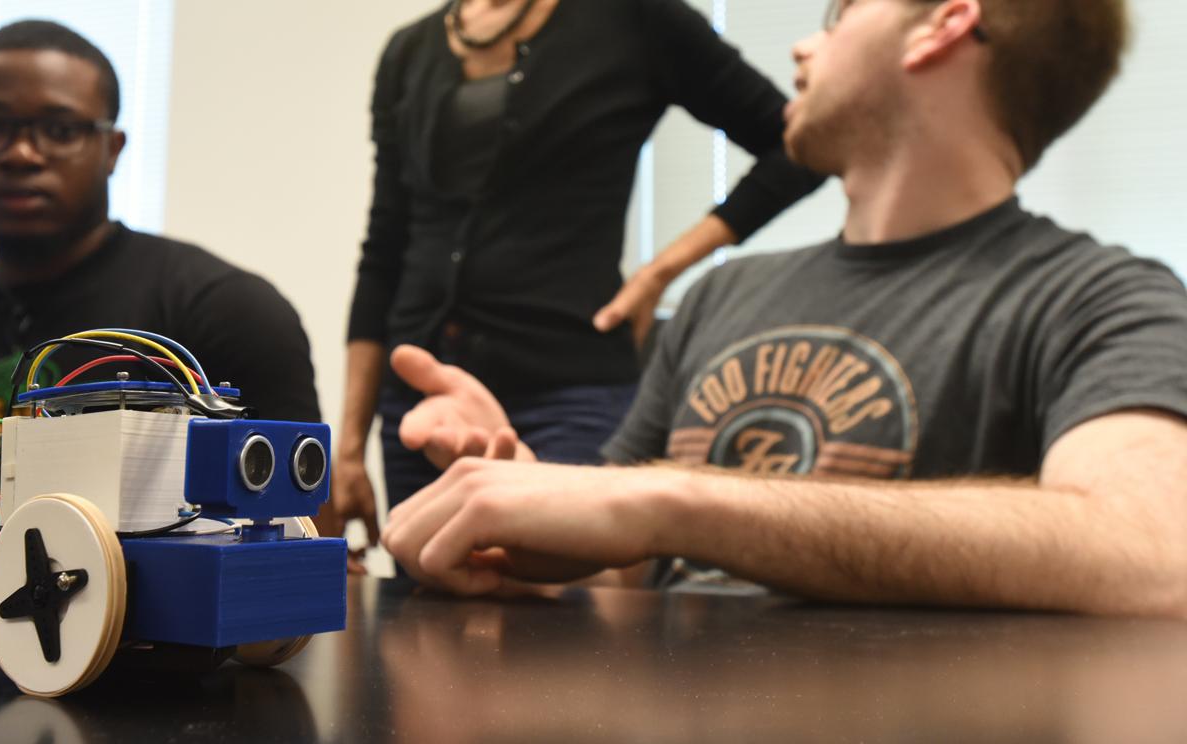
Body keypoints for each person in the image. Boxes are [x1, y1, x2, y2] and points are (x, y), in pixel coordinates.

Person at [379, 0, 1187, 618]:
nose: (805, 45)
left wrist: (674, 500)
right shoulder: (722, 297)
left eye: (839, 14)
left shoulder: (1102, 300)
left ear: (942, 25)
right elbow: (626, 567)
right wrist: (525, 511)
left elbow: (1153, 556)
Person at [326, 0, 824, 547]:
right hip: (421, 407)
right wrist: (347, 450)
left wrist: (661, 270)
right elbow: (385, 248)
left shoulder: (636, 20)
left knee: (557, 614)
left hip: (567, 393)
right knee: (427, 605)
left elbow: (798, 146)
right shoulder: (410, 51)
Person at [0, 21, 320, 552]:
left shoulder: (228, 313)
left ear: (112, 148)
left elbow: (298, 553)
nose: (19, 153)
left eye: (60, 130)